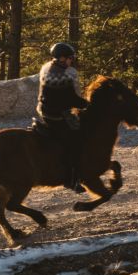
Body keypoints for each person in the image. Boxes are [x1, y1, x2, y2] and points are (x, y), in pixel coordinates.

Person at [34, 42, 90, 191]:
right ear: (62, 59)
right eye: (70, 58)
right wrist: (89, 104)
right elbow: (71, 99)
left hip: (44, 109)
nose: (72, 61)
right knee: (76, 141)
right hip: (56, 114)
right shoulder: (62, 75)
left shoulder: (47, 67)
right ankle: (71, 179)